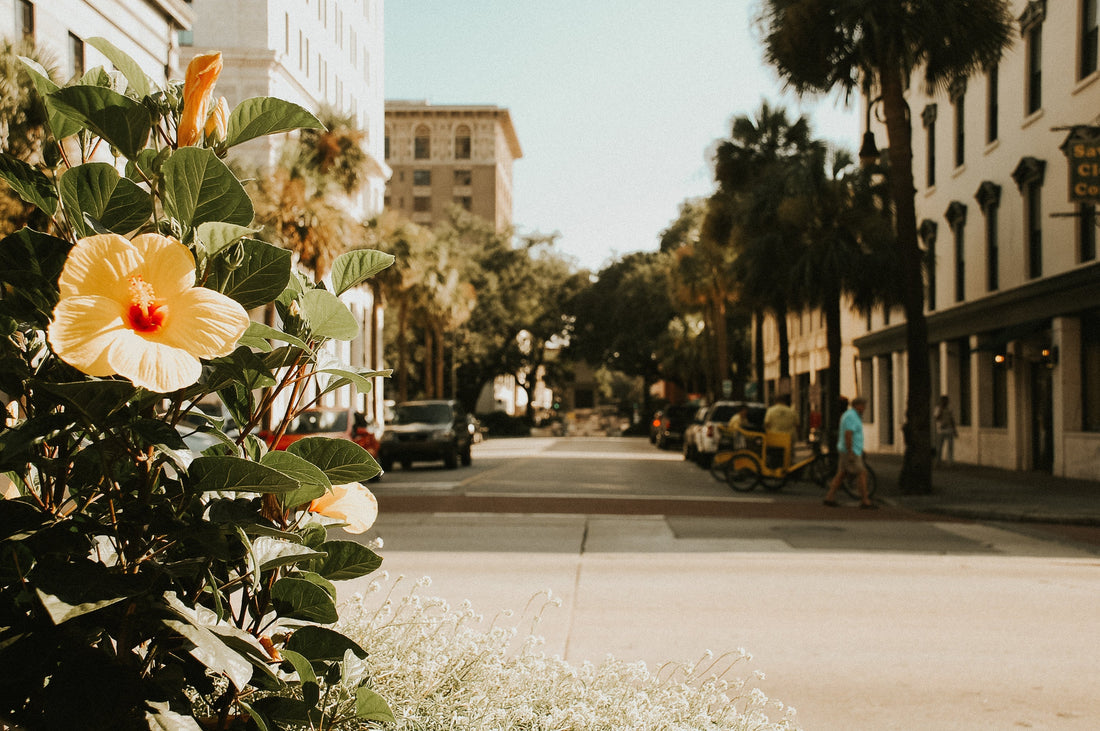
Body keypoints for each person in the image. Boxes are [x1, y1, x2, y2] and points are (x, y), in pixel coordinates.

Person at [823, 396, 875, 508]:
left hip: (850, 449)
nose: (864, 409)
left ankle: (830, 496)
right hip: (850, 451)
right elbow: (848, 434)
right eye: (863, 406)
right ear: (858, 406)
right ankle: (865, 500)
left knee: (842, 473)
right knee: (862, 473)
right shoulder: (851, 416)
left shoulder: (852, 416)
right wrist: (851, 452)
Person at [934, 395, 958, 465]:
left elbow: (952, 419)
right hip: (941, 430)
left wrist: (954, 430)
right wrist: (941, 410)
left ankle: (950, 461)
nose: (945, 402)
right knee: (939, 446)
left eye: (946, 401)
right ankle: (938, 461)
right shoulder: (938, 408)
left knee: (950, 446)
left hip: (949, 429)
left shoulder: (950, 409)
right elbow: (937, 418)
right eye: (944, 401)